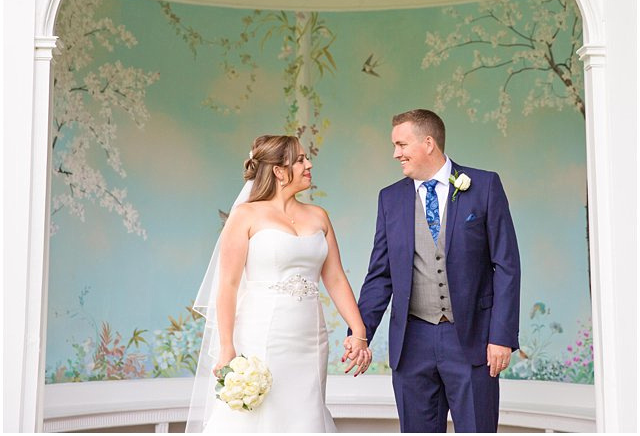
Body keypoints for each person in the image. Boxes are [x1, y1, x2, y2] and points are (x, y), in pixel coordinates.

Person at [186, 135, 372, 433]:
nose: (308, 164)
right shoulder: (245, 215)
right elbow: (229, 286)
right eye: (300, 160)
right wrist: (226, 348)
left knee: (306, 412)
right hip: (260, 335)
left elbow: (335, 278)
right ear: (278, 170)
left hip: (311, 338)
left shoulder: (319, 216)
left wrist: (359, 331)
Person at [350, 109, 520, 432]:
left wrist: (501, 336)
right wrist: (360, 334)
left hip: (472, 340)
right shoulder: (390, 198)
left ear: (428, 143)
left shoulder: (483, 186)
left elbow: (507, 265)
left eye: (401, 145)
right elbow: (380, 276)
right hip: (412, 344)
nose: (395, 153)